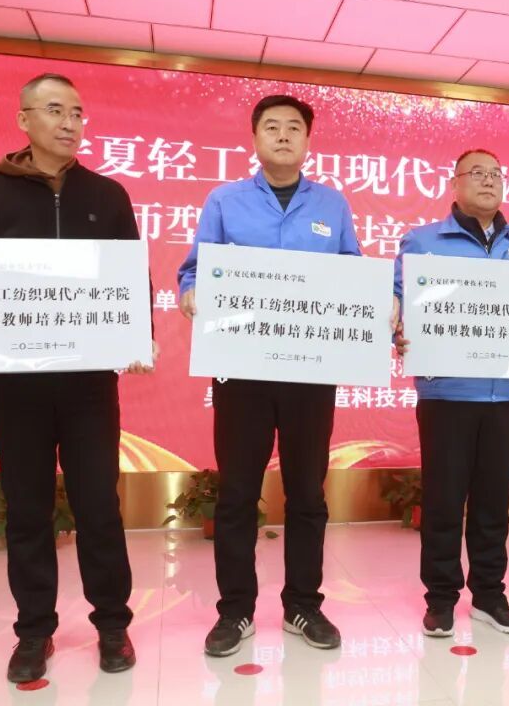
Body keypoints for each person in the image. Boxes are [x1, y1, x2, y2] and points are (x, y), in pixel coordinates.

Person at [0, 73, 154, 682]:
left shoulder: (108, 194)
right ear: (24, 119)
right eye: (55, 110)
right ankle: (34, 630)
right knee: (27, 507)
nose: (70, 123)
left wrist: (140, 335)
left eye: (78, 112)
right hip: (15, 383)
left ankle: (112, 623)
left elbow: (131, 278)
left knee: (98, 505)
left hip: (88, 385)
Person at [177, 94, 360, 657]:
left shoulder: (332, 204)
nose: (283, 135)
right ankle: (235, 611)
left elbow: (353, 274)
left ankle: (304, 605)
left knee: (307, 492)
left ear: (308, 140)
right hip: (241, 372)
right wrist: (191, 293)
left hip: (311, 372)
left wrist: (378, 303)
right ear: (254, 138)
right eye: (272, 127)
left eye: (294, 127)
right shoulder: (225, 200)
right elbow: (194, 269)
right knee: (237, 493)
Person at [393, 149, 509, 638]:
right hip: (447, 393)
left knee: (494, 502)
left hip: (504, 394)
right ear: (453, 184)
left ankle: (490, 595)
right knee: (443, 500)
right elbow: (397, 301)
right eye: (477, 173)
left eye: (496, 173)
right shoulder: (423, 241)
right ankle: (441, 598)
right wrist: (396, 325)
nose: (489, 180)